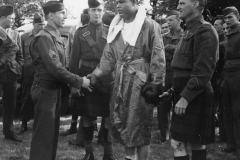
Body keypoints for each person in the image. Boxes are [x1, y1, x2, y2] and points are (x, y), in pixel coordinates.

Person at [87, 0, 166, 159]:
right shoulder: (116, 26)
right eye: (116, 2)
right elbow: (108, 57)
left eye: (122, 1)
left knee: (141, 128)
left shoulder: (149, 25)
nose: (118, 6)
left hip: (141, 83)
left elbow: (158, 55)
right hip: (120, 83)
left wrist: (156, 83)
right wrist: (96, 74)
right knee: (125, 125)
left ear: (135, 2)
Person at [28, 1, 91, 160]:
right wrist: (78, 81)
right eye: (62, 13)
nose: (65, 16)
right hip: (45, 91)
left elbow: (62, 65)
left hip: (52, 91)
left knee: (51, 136)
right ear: (50, 15)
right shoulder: (45, 37)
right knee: (43, 137)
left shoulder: (54, 34)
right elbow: (55, 68)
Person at [169, 0, 218, 159]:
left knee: (179, 142)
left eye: (182, 3)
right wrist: (172, 91)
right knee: (193, 142)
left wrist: (185, 98)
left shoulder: (205, 30)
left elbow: (203, 71)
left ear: (196, 3)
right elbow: (184, 67)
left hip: (194, 95)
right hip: (186, 92)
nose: (178, 7)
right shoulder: (190, 30)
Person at [69, 0, 117, 159]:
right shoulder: (80, 32)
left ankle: (108, 154)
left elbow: (116, 58)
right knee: (87, 116)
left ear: (103, 11)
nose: (96, 13)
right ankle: (89, 153)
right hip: (85, 76)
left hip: (106, 76)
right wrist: (75, 84)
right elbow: (74, 59)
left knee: (108, 116)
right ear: (88, 12)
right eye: (93, 10)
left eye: (99, 10)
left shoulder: (111, 31)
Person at [158, 10, 183, 144]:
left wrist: (168, 47)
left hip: (178, 72)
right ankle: (164, 134)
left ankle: (178, 133)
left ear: (179, 20)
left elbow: (182, 51)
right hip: (164, 71)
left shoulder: (185, 36)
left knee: (178, 102)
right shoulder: (163, 37)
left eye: (170, 20)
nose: (168, 22)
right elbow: (157, 50)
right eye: (167, 20)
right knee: (163, 104)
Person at [18, 13, 45, 135]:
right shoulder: (24, 37)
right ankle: (24, 123)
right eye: (39, 24)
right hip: (28, 71)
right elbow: (21, 56)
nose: (42, 26)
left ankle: (39, 124)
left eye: (43, 24)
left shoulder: (46, 37)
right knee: (26, 97)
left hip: (42, 71)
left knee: (41, 97)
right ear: (34, 24)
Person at [0, 5, 24, 142]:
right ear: (2, 18)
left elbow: (20, 55)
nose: (13, 21)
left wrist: (19, 66)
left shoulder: (16, 34)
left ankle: (9, 133)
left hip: (11, 74)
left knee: (10, 104)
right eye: (11, 18)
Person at [221, 6, 240, 156]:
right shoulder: (227, 33)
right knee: (226, 111)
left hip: (238, 75)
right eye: (226, 18)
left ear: (237, 17)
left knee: (237, 112)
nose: (227, 20)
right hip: (227, 75)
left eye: (230, 17)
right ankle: (231, 144)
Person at [212, 15, 227, 143]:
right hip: (214, 76)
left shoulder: (224, 40)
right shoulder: (214, 38)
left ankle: (222, 134)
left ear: (223, 26)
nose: (215, 26)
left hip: (220, 76)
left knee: (220, 106)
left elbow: (222, 61)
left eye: (217, 24)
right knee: (214, 104)